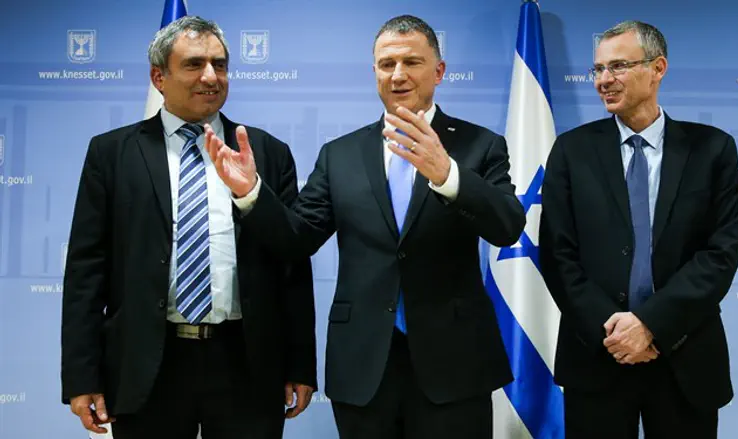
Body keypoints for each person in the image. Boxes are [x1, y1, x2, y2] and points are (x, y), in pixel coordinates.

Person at [203, 14, 524, 439]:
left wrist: (448, 174)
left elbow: (507, 227)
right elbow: (297, 239)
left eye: (412, 62)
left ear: (439, 71)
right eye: (386, 64)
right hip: (364, 365)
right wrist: (251, 194)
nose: (398, 75)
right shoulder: (340, 154)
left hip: (455, 363)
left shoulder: (479, 144)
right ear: (374, 72)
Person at [60, 16, 316, 439]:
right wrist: (82, 376)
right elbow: (87, 271)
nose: (211, 77)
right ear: (159, 77)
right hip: (149, 363)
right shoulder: (111, 153)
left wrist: (300, 365)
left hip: (247, 361)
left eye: (220, 64)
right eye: (194, 64)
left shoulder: (268, 153)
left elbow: (292, 267)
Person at [539, 20, 738, 439]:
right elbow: (558, 254)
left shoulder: (712, 149)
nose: (603, 80)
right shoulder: (571, 150)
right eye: (597, 69)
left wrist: (651, 325)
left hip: (684, 355)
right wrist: (614, 331)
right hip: (598, 355)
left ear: (658, 67)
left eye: (617, 67)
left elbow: (719, 253)